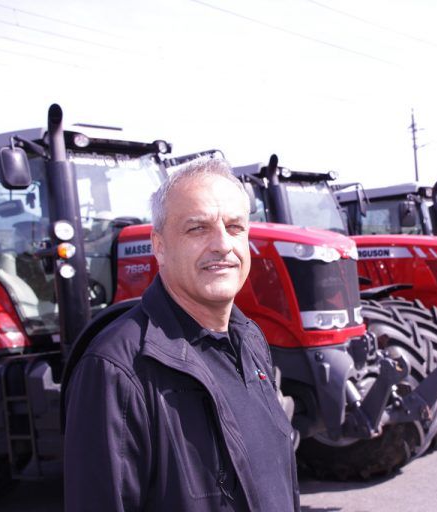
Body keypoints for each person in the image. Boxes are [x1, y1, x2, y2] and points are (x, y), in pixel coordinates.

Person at [63, 157, 300, 511]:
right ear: (158, 245)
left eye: (235, 227)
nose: (222, 245)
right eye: (197, 228)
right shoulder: (117, 371)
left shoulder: (251, 342)